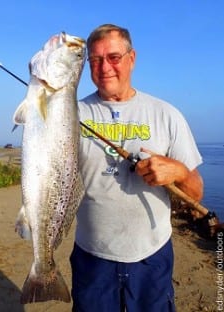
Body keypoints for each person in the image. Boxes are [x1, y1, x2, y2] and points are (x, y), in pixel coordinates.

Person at [70, 24, 203, 312]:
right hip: (92, 256)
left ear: (132, 58)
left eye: (114, 57)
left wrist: (178, 171)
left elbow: (196, 192)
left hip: (151, 257)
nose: (104, 67)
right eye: (95, 60)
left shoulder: (166, 114)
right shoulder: (72, 114)